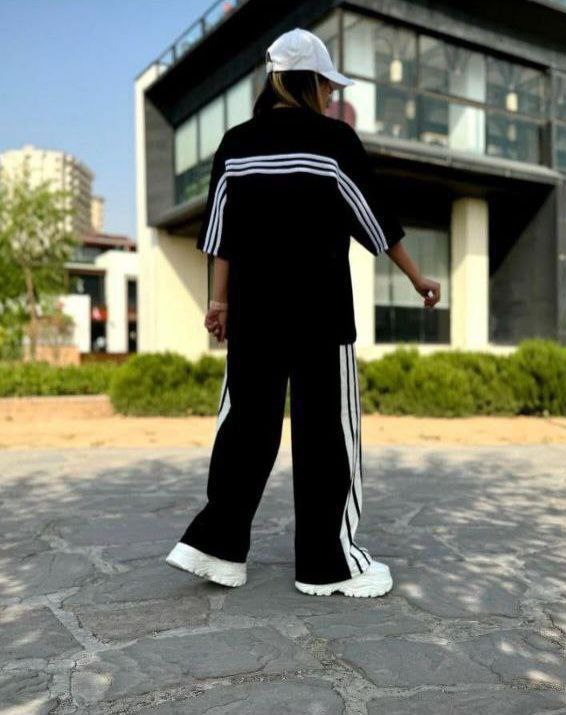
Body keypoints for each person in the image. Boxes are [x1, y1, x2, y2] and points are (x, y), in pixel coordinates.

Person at [166, 27, 440, 597]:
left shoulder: (236, 143)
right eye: (327, 86)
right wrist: (418, 277)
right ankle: (324, 564)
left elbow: (221, 235)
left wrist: (219, 303)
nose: (330, 95)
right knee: (325, 435)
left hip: (254, 315)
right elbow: (374, 221)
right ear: (310, 81)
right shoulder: (334, 141)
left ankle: (217, 548)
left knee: (245, 428)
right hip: (321, 315)